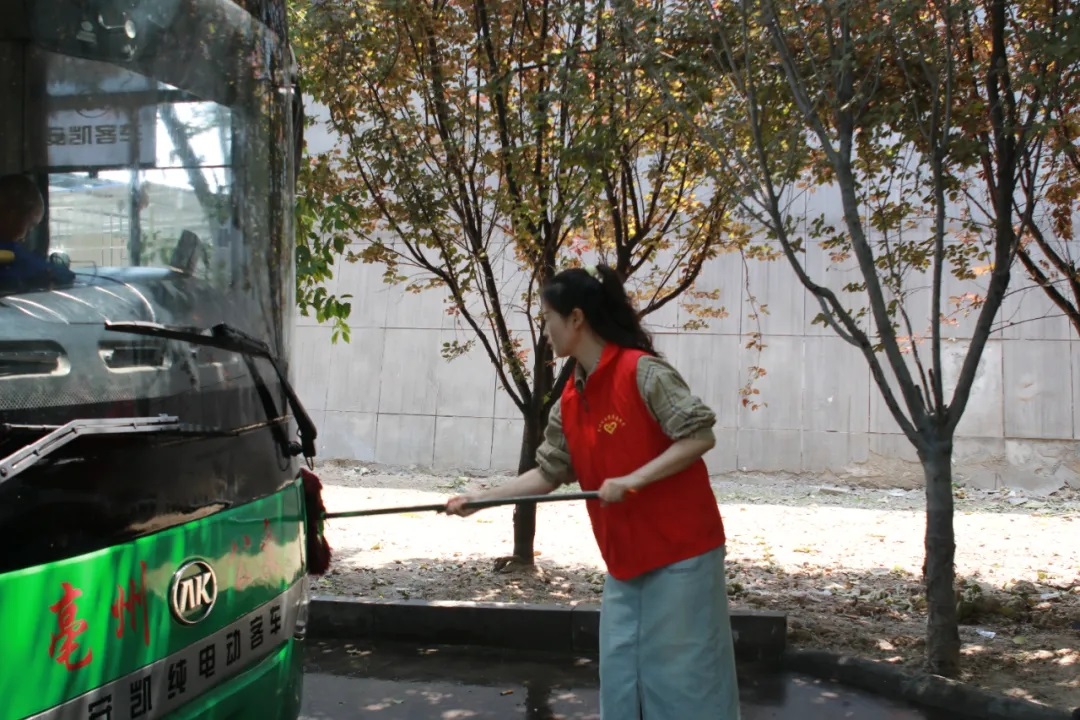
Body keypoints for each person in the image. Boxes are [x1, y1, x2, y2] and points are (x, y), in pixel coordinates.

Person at [446, 263, 740, 719]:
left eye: (547, 318)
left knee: (684, 684)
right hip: (625, 562)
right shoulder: (569, 399)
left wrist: (633, 479)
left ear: (576, 318)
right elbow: (548, 474)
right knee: (621, 678)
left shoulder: (642, 372)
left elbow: (699, 435)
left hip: (682, 555)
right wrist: (482, 499)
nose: (545, 331)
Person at [0, 173, 75, 291]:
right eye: (29, 226)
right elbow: (59, 274)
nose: (24, 237)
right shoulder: (10, 254)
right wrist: (54, 270)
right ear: (12, 216)